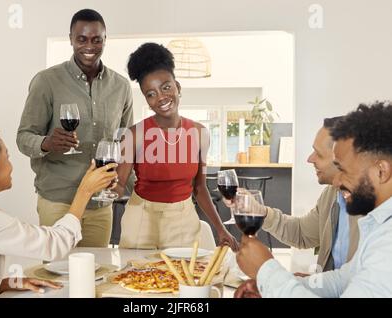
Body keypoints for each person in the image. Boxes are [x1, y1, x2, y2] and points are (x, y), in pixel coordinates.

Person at [236, 102, 392, 297]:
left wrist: (267, 271)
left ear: (381, 171)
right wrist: (284, 283)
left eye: (342, 169)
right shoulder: (378, 225)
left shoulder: (387, 242)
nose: (338, 180)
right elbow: (341, 280)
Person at [0, 128, 117, 297]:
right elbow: (55, 244)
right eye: (7, 157)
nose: (11, 166)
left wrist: (6, 284)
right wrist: (85, 191)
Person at [16, 9, 133, 247]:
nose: (89, 46)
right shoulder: (47, 81)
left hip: (100, 203)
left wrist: (122, 183)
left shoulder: (121, 86)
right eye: (82, 39)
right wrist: (46, 143)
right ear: (71, 38)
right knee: (57, 274)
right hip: (58, 200)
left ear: (104, 40)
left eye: (96, 39)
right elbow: (23, 137)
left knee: (95, 274)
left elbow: (126, 142)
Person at [115, 43, 238, 251]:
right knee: (135, 278)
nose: (161, 97)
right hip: (141, 218)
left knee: (183, 278)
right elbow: (119, 186)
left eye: (166, 87)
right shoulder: (134, 134)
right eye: (151, 94)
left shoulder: (200, 133)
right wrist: (106, 188)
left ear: (177, 87)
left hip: (183, 219)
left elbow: (199, 188)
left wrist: (221, 229)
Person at [227, 117, 360, 272]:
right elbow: (301, 233)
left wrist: (268, 271)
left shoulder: (374, 212)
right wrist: (260, 211)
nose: (310, 159)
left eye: (319, 154)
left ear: (342, 157)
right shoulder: (331, 195)